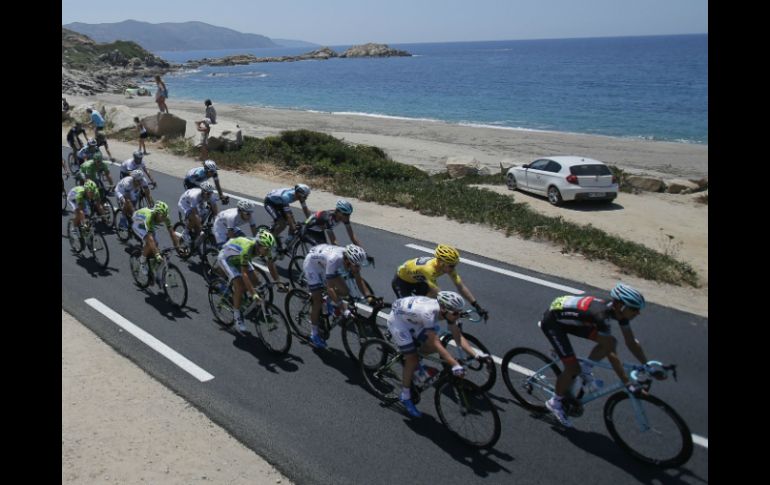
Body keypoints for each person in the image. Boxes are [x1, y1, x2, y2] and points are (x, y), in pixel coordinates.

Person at [540, 283, 657, 428]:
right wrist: (627, 383)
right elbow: (611, 354)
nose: (638, 313)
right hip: (553, 323)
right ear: (620, 306)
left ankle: (586, 368)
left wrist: (647, 365)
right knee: (573, 369)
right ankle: (555, 402)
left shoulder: (619, 312)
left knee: (610, 341)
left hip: (576, 318)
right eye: (634, 309)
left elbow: (631, 342)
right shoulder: (601, 315)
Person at [391, 244, 490, 366]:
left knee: (429, 304)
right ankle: (406, 340)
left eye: (455, 265)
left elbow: (460, 286)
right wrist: (451, 311)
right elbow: (440, 295)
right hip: (402, 282)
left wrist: (476, 305)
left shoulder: (446, 266)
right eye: (451, 266)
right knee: (411, 311)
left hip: (419, 281)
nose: (454, 268)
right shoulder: (429, 269)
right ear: (441, 263)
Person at [386, 291, 468, 417]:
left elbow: (456, 334)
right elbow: (435, 341)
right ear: (444, 309)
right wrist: (454, 364)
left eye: (460, 313)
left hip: (413, 319)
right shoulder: (428, 313)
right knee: (412, 358)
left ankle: (414, 361)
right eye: (456, 313)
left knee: (432, 346)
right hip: (399, 322)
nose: (458, 316)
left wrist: (478, 356)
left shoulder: (445, 312)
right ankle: (405, 396)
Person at [301, 243, 373, 349]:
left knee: (345, 291)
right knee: (317, 300)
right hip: (312, 265)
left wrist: (370, 297)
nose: (358, 268)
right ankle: (314, 333)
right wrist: (343, 308)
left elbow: (359, 280)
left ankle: (326, 300)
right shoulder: (334, 260)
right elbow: (330, 288)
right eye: (356, 266)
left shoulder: (350, 260)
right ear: (347, 261)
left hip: (323, 262)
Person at [215, 231, 288, 333]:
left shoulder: (265, 248)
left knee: (256, 282)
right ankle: (237, 317)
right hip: (226, 259)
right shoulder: (247, 248)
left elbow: (271, 265)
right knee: (240, 286)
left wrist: (278, 283)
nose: (268, 251)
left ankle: (241, 299)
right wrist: (253, 294)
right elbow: (244, 274)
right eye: (266, 249)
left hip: (239, 258)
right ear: (259, 245)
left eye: (269, 249)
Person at [131, 201, 181, 284]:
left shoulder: (165, 217)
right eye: (162, 216)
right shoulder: (150, 217)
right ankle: (142, 261)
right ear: (156, 213)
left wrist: (178, 247)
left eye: (165, 215)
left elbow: (172, 232)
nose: (164, 218)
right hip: (138, 224)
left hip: (147, 224)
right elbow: (150, 239)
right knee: (150, 243)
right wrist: (157, 254)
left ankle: (151, 264)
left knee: (155, 245)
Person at [263, 184, 312, 252]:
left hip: (280, 202)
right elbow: (288, 215)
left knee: (293, 223)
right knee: (283, 224)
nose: (306, 198)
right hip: (270, 203)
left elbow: (305, 209)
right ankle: (267, 242)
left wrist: (311, 219)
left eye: (306, 196)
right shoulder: (286, 197)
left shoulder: (300, 196)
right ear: (300, 193)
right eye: (305, 196)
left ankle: (287, 243)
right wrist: (293, 228)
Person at [177, 181, 219, 248]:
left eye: (211, 193)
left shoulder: (210, 196)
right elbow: (195, 214)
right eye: (208, 193)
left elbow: (215, 212)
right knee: (194, 218)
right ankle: (185, 233)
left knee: (207, 210)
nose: (209, 195)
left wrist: (217, 224)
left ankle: (196, 238)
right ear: (203, 192)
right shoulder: (194, 196)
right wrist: (200, 227)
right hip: (184, 204)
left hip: (199, 202)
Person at [67, 180, 107, 247]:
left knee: (88, 214)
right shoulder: (80, 193)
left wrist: (104, 216)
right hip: (72, 199)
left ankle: (86, 233)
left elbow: (99, 205)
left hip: (83, 199)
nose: (92, 194)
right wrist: (84, 222)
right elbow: (80, 210)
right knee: (79, 213)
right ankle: (74, 229)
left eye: (93, 192)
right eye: (90, 192)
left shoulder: (96, 192)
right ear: (86, 190)